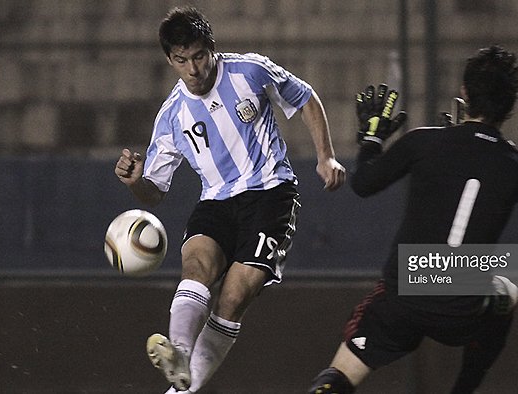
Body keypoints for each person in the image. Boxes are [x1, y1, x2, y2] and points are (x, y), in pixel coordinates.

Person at [114, 6, 345, 393]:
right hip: (217, 200)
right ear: (170, 60)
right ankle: (179, 360)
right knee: (195, 267)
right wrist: (135, 182)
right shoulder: (172, 116)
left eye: (199, 56)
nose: (194, 69)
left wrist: (326, 155)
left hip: (270, 192)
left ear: (212, 47)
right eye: (181, 60)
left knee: (234, 296)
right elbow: (154, 192)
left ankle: (182, 382)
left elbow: (306, 98)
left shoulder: (249, 70)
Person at [308, 45, 518, 393]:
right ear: (511, 105)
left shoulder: (424, 142)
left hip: (403, 297)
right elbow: (478, 165)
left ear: (464, 93)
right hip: (461, 308)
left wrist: (371, 139)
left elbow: (364, 183)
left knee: (340, 373)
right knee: (508, 294)